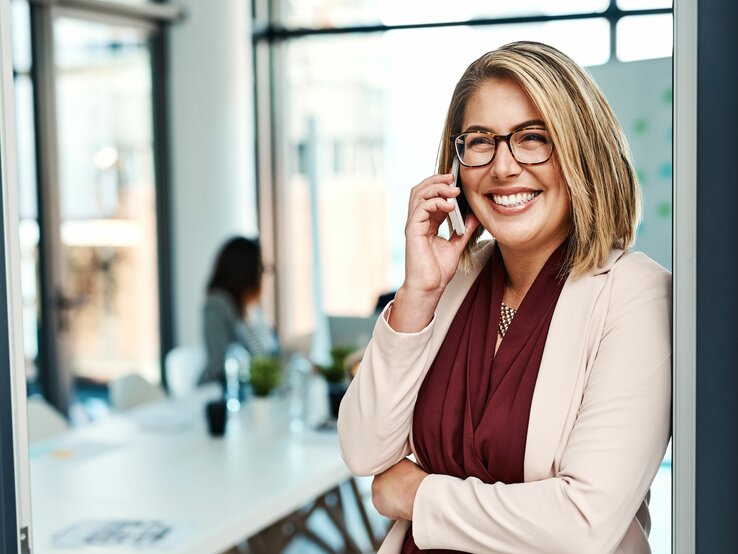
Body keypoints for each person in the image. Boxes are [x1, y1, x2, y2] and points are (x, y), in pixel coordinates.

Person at [337, 41, 671, 554]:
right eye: (480, 142)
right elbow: (363, 452)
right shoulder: (455, 278)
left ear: (581, 151)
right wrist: (418, 293)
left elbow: (581, 526)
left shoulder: (635, 295)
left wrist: (419, 494)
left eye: (533, 138)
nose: (503, 167)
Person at [199, 236, 279, 386]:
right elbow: (220, 364)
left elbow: (268, 354)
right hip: (224, 392)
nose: (262, 276)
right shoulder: (217, 305)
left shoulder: (253, 308)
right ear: (244, 271)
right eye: (260, 269)